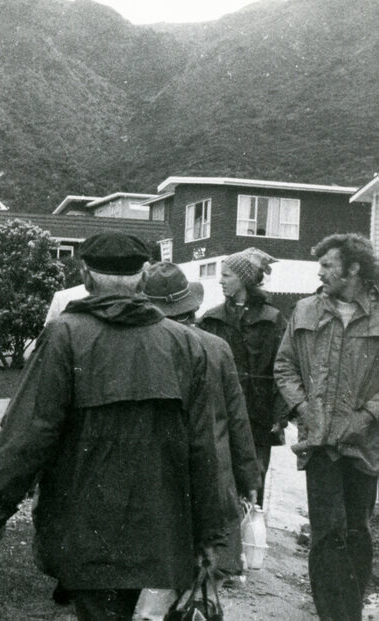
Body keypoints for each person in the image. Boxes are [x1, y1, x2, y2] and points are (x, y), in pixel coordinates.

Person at [0, 232, 222, 621]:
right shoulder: (184, 344)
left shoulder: (65, 335)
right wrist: (209, 533)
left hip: (86, 526)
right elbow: (204, 445)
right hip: (160, 528)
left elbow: (30, 430)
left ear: (85, 275)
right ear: (143, 276)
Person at [274, 233, 379, 621]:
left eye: (327, 265)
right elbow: (284, 366)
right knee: (326, 532)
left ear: (353, 269)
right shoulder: (305, 310)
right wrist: (303, 408)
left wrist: (366, 417)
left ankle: (349, 612)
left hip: (364, 442)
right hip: (318, 443)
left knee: (358, 531)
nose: (319, 273)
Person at [144, 262, 262, 584]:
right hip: (214, 472)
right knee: (208, 575)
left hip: (159, 472)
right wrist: (249, 476)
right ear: (191, 306)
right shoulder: (217, 347)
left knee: (159, 570)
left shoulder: (143, 345)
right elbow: (237, 418)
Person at [198, 247, 287, 504]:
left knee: (254, 479)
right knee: (219, 477)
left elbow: (283, 368)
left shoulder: (273, 319)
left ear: (245, 279)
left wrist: (280, 414)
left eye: (227, 275)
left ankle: (251, 526)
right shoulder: (212, 319)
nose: (220, 280)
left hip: (258, 415)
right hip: (220, 411)